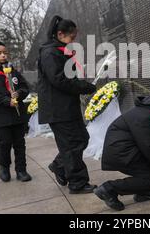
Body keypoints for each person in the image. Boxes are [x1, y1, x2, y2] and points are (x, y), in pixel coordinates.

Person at [38, 15, 97, 194]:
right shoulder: (50, 52)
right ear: (60, 34)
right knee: (71, 144)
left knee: (81, 139)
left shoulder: (58, 50)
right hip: (59, 109)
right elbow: (59, 80)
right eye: (72, 37)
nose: (73, 41)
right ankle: (77, 183)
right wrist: (84, 86)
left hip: (65, 107)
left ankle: (58, 165)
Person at [0, 41, 32, 182]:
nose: (3, 55)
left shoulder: (13, 70)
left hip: (17, 114)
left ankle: (21, 170)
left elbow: (25, 86)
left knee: (19, 144)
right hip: (0, 116)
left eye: (5, 53)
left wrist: (19, 93)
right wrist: (5, 100)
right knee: (4, 144)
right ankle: (4, 167)